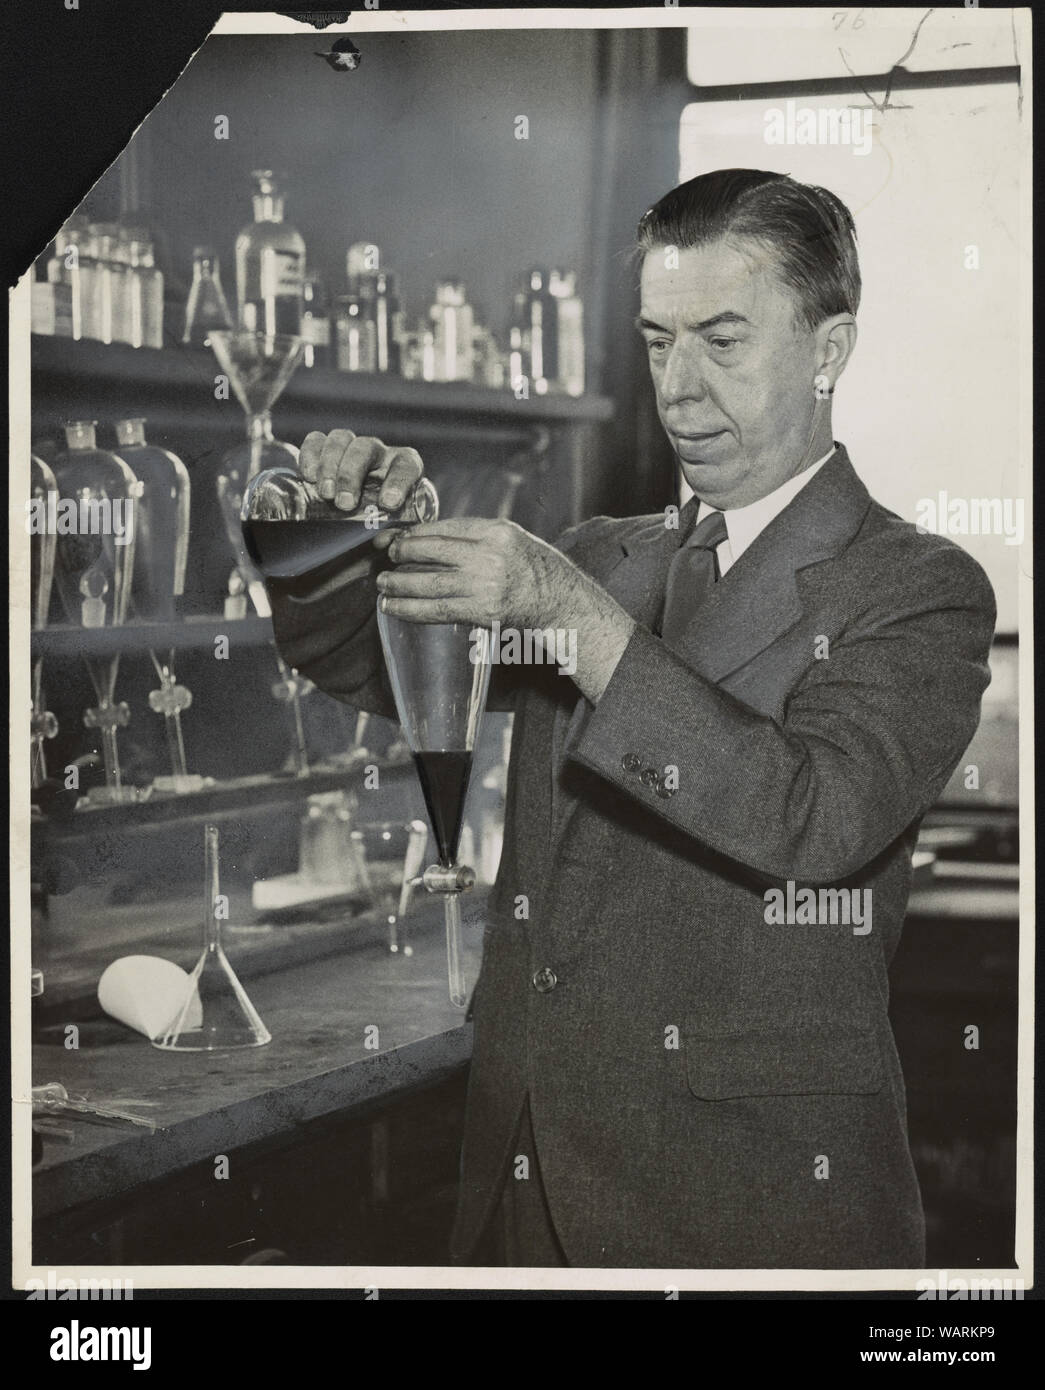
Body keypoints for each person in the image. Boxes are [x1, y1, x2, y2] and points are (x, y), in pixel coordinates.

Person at [266, 169, 996, 1268]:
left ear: (830, 347)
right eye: (657, 341)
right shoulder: (609, 552)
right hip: (525, 1181)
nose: (679, 390)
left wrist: (569, 613)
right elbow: (370, 671)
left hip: (746, 1207)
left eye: (721, 340)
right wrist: (329, 544)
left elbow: (813, 818)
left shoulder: (914, 586)